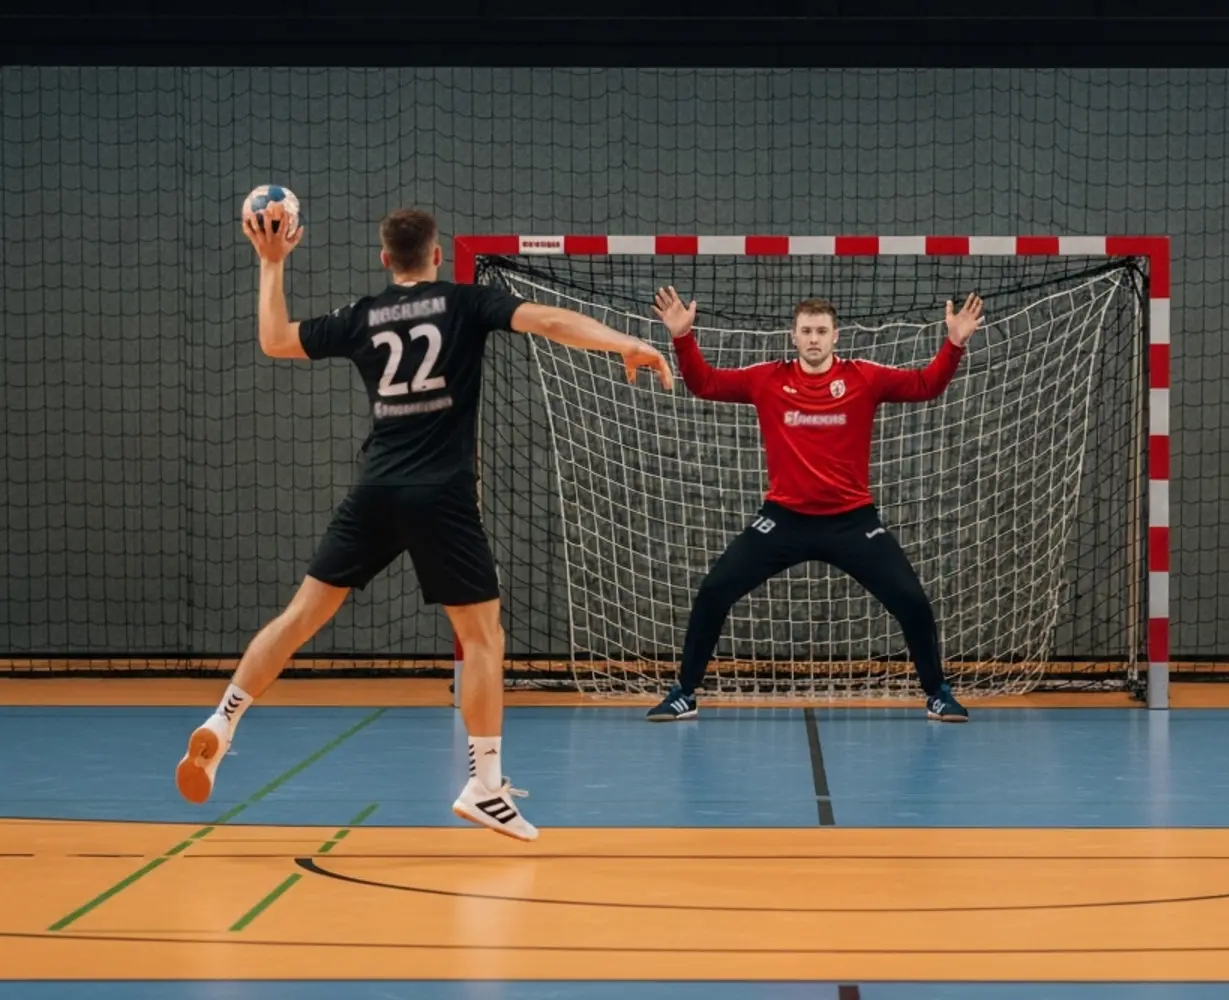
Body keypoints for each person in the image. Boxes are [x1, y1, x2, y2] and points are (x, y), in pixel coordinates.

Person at [174, 204, 673, 841]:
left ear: (386, 260)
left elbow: (274, 339)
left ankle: (223, 718)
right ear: (435, 256)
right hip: (442, 494)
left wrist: (272, 264)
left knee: (300, 616)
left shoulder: (362, 316)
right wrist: (624, 340)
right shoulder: (466, 302)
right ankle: (485, 785)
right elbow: (547, 320)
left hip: (376, 488)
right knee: (484, 637)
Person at [645, 288, 982, 723]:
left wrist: (954, 343)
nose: (814, 339)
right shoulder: (766, 378)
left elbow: (925, 385)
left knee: (911, 601)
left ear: (836, 336)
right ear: (794, 336)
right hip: (783, 521)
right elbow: (704, 382)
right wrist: (682, 337)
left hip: (852, 521)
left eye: (822, 331)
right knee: (714, 591)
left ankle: (937, 693)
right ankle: (684, 694)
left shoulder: (865, 376)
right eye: (806, 331)